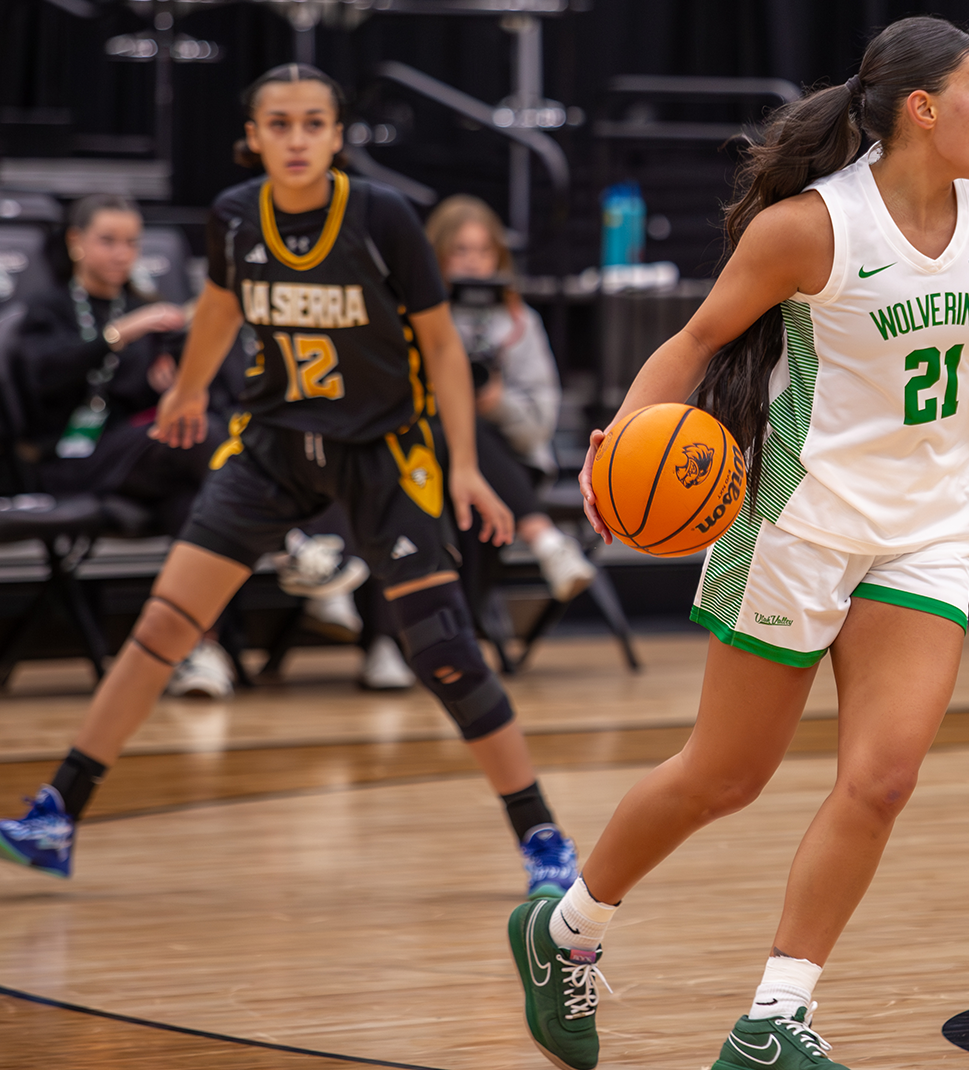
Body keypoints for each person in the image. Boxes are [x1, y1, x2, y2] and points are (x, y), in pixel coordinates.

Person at [505, 16, 969, 1070]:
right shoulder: (813, 228)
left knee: (883, 779)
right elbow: (697, 340)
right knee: (725, 776)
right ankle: (568, 930)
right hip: (799, 523)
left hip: (930, 529)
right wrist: (618, 446)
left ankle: (773, 1020)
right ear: (924, 109)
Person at [0, 64, 578, 899]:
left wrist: (462, 465)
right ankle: (58, 812)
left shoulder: (381, 217)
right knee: (163, 624)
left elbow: (442, 347)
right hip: (271, 445)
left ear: (337, 137)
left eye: (314, 123)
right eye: (280, 124)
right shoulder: (235, 216)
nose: (297, 139)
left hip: (382, 451)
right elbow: (218, 308)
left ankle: (542, 836)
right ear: (254, 136)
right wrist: (189, 391)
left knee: (444, 650)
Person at [14, 193, 244, 697]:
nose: (122, 254)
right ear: (75, 242)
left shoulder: (147, 309)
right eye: (108, 241)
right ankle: (287, 543)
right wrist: (117, 335)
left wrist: (174, 384)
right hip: (69, 462)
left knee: (192, 503)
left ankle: (197, 649)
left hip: (138, 466)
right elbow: (42, 379)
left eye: (132, 243)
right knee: (195, 435)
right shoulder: (49, 307)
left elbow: (152, 395)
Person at [423, 195, 596, 603]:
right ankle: (543, 538)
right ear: (437, 254)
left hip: (512, 461)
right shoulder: (422, 318)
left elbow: (539, 427)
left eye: (483, 251)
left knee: (466, 438)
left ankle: (456, 620)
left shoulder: (521, 323)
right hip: (430, 453)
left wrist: (496, 403)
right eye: (460, 250)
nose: (472, 262)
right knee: (451, 433)